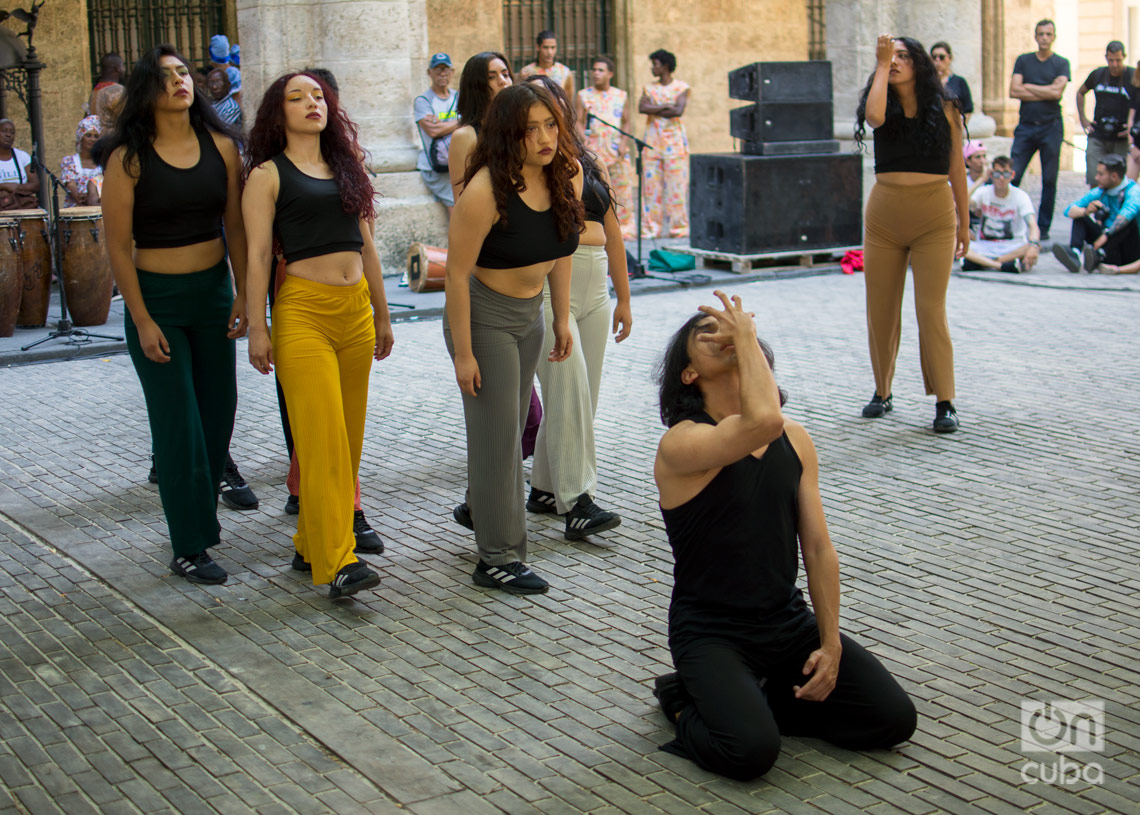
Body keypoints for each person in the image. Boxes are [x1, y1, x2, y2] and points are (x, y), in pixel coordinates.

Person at [651, 294, 917, 781]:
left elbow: (817, 548)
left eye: (733, 328)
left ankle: (756, 699)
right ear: (689, 373)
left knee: (892, 719)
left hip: (786, 623)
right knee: (750, 753)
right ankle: (683, 702)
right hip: (712, 632)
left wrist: (831, 644)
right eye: (709, 332)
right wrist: (747, 337)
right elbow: (760, 423)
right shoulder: (683, 442)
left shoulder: (795, 438)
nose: (726, 331)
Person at [100, 45, 248, 586]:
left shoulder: (223, 148)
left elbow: (235, 225)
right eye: (165, 77)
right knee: (178, 425)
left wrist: (244, 294)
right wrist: (140, 319)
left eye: (183, 72)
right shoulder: (128, 157)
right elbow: (117, 246)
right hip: (156, 303)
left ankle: (199, 525)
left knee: (216, 418)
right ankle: (188, 545)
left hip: (212, 297)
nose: (179, 82)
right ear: (147, 91)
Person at [244, 71, 394, 600]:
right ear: (276, 113)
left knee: (346, 443)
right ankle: (338, 561)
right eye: (296, 97)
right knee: (322, 438)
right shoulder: (266, 174)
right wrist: (257, 327)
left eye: (318, 96)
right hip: (302, 313)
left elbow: (367, 247)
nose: (312, 103)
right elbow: (259, 254)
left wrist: (383, 312)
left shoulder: (346, 168)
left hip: (354, 314)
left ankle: (310, 540)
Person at [444, 82, 582, 595]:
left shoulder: (564, 175)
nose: (546, 137)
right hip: (484, 319)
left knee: (503, 431)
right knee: (500, 440)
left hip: (531, 316)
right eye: (531, 129)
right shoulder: (484, 192)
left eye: (551, 124)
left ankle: (480, 507)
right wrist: (463, 353)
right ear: (508, 135)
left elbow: (563, 246)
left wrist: (562, 317)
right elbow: (455, 276)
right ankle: (498, 557)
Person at [522, 74, 633, 540]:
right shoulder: (531, 169)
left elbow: (612, 232)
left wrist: (625, 297)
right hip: (552, 292)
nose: (548, 125)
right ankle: (578, 501)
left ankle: (545, 488)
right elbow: (554, 234)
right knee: (568, 392)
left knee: (583, 398)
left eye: (554, 110)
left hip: (597, 293)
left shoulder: (590, 162)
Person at [855, 35, 968, 434]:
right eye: (891, 55)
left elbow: (957, 170)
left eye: (904, 56)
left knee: (930, 310)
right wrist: (882, 65)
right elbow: (872, 119)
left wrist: (965, 224)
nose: (897, 60)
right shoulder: (880, 100)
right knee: (880, 310)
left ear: (919, 63)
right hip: (884, 217)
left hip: (935, 216)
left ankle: (945, 401)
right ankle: (882, 392)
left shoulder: (947, 107)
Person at [1009, 19, 1070, 241]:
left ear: (1053, 37)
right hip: (1026, 126)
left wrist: (1028, 87)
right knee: (1012, 174)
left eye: (1048, 34)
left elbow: (1057, 93)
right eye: (1041, 34)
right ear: (1035, 36)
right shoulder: (1024, 61)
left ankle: (1043, 228)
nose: (1044, 38)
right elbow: (1013, 91)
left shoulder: (1062, 63)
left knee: (1049, 180)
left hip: (1051, 127)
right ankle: (1008, 221)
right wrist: (1046, 89)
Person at [575, 55, 636, 239]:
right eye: (594, 69)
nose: (595, 73)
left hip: (616, 151)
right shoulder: (583, 95)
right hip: (595, 151)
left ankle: (624, 228)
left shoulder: (620, 95)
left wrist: (624, 144)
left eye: (600, 70)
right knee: (596, 190)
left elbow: (626, 121)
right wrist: (584, 140)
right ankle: (598, 226)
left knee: (622, 189)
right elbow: (578, 120)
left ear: (610, 73)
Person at [1052, 155, 1140, 274]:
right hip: (1104, 243)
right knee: (1080, 216)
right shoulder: (1100, 191)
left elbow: (1127, 214)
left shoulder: (1133, 191)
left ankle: (1098, 255)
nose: (1096, 177)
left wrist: (1105, 236)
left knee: (1127, 222)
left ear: (1114, 176)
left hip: (1127, 249)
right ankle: (1075, 254)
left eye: (1100, 174)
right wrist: (1086, 211)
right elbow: (1069, 210)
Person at [639, 49, 690, 239]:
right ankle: (652, 228)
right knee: (651, 189)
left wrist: (656, 108)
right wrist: (666, 106)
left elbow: (678, 110)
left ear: (666, 66)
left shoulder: (682, 87)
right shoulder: (648, 88)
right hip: (652, 144)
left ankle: (679, 228)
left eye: (656, 64)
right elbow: (642, 107)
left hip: (675, 145)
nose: (653, 68)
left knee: (677, 188)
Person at [448, 51, 513, 197]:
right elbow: (461, 201)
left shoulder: (521, 126)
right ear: (476, 87)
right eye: (492, 77)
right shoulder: (465, 136)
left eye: (506, 74)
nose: (503, 81)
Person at [961, 156, 1040, 273]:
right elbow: (962, 202)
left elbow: (1032, 225)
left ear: (1012, 175)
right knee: (955, 244)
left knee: (1032, 246)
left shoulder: (1020, 196)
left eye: (1006, 174)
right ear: (991, 175)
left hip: (1012, 246)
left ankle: (982, 262)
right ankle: (1001, 265)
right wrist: (981, 179)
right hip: (985, 245)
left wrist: (1034, 245)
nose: (1001, 178)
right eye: (997, 174)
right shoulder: (984, 192)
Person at [1076, 42, 1132, 188]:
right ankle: (1095, 207)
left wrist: (1133, 127)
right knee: (1096, 178)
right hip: (1098, 134)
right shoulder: (1098, 74)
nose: (1114, 64)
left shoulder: (1132, 76)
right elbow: (1081, 92)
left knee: (1120, 182)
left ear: (1124, 57)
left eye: (1118, 60)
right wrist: (1083, 119)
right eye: (1111, 60)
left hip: (1121, 137)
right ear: (1106, 57)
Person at [415, 53, 459, 212]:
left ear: (452, 72)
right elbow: (433, 131)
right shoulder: (423, 101)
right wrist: (459, 122)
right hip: (436, 166)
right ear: (429, 73)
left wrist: (442, 125)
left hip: (458, 161)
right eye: (438, 69)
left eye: (446, 70)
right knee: (455, 204)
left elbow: (471, 122)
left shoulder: (459, 97)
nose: (442, 74)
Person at [60, 116, 103, 207]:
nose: (92, 139)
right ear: (81, 138)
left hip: (99, 208)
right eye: (88, 135)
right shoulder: (69, 161)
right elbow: (70, 185)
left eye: (96, 136)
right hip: (76, 210)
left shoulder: (103, 162)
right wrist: (80, 197)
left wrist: (93, 199)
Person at [519, 31, 574, 99]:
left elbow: (568, 99)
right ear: (538, 47)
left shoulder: (565, 71)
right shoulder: (526, 71)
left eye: (553, 47)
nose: (549, 52)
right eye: (545, 47)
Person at [930, 42, 973, 124]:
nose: (937, 60)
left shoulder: (960, 82)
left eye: (941, 57)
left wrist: (958, 129)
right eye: (934, 57)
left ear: (949, 58)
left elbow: (968, 109)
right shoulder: (928, 81)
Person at [0, 118, 38, 211]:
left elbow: (35, 185)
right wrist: (5, 186)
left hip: (21, 205)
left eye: (12, 132)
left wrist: (17, 187)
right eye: (4, 131)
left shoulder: (22, 156)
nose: (8, 135)